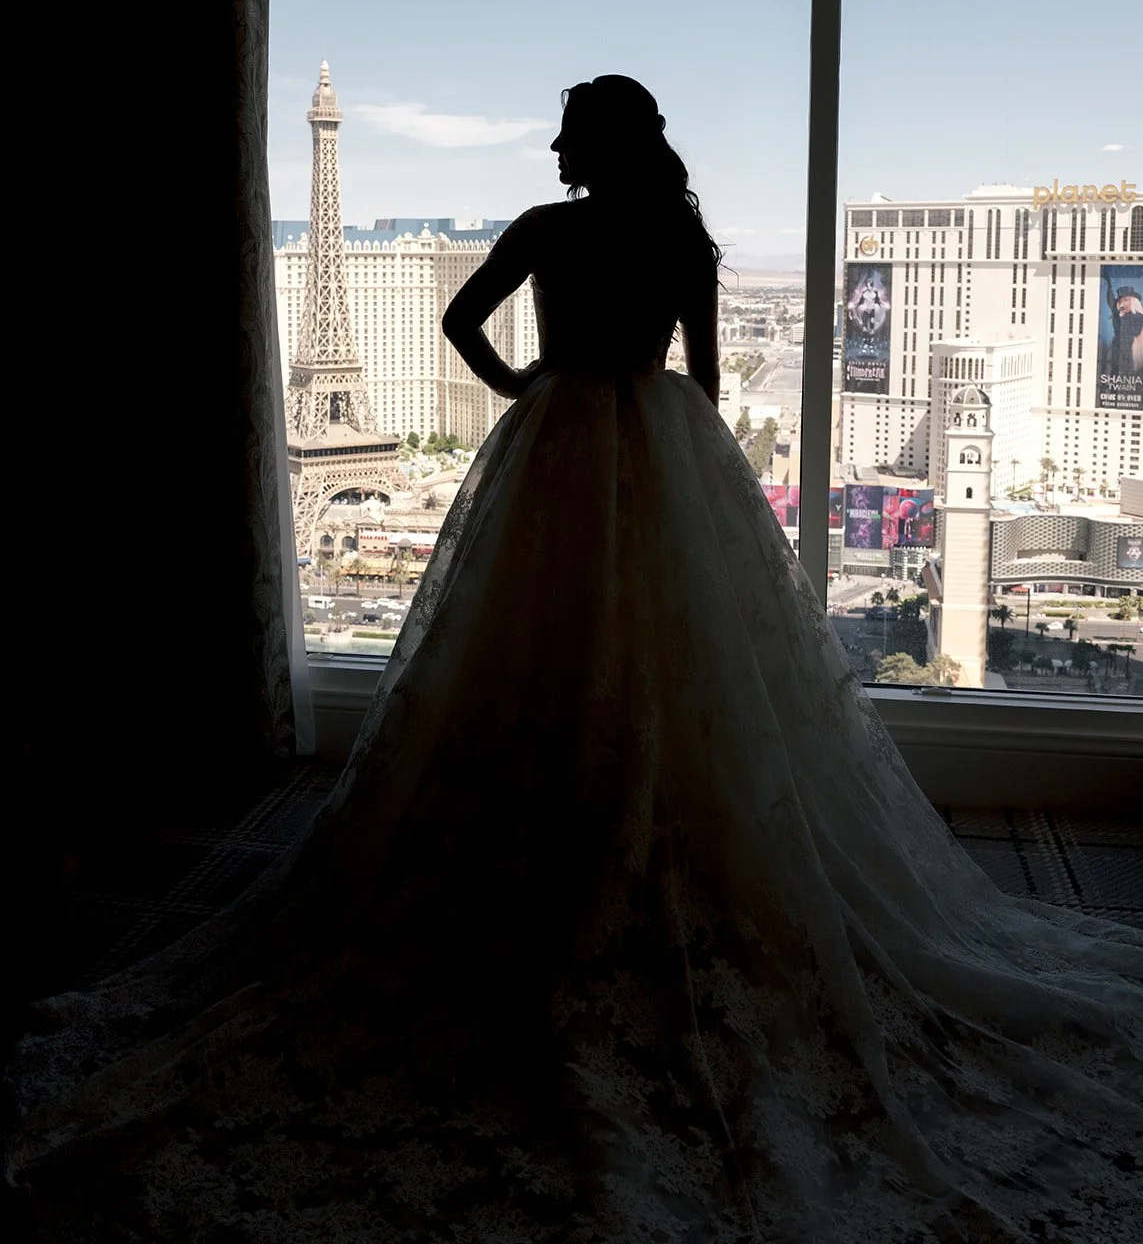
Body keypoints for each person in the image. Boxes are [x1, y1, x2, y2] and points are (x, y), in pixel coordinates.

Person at [7, 76, 1142, 1243]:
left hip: (555, 439)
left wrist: (527, 389)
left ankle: (547, 830)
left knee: (532, 651)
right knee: (675, 657)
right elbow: (702, 377)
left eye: (568, 132)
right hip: (661, 444)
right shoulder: (682, 236)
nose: (557, 146)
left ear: (589, 145)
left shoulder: (549, 230)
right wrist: (686, 454)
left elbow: (463, 325)